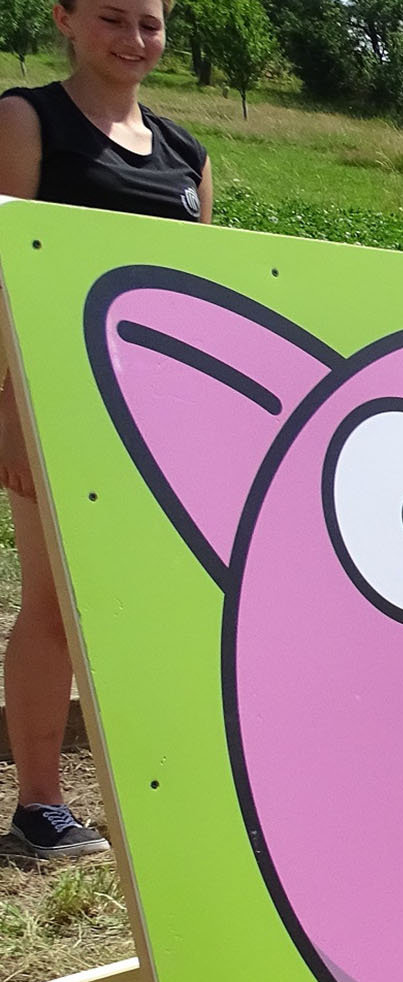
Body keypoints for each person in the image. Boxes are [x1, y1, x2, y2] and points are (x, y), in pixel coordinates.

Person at [0, 0, 211, 860]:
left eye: (150, 24)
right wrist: (9, 411)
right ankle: (39, 807)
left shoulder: (188, 154)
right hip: (54, 407)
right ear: (65, 19)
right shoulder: (25, 119)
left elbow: (200, 299)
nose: (133, 41)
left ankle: (159, 792)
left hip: (157, 421)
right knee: (55, 606)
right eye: (111, 18)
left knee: (154, 607)